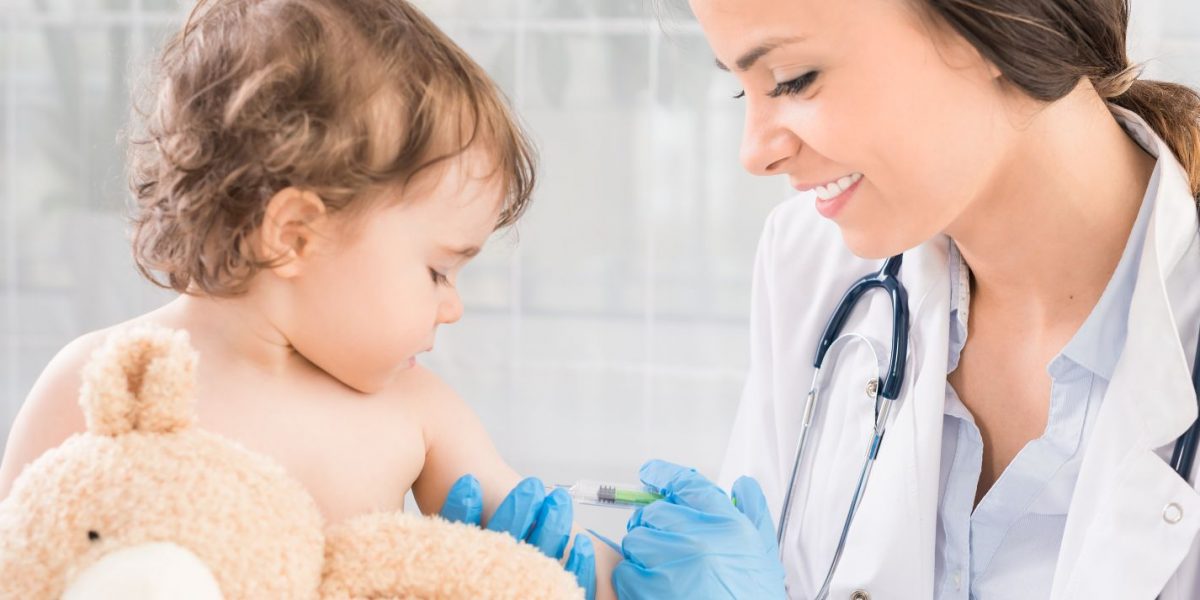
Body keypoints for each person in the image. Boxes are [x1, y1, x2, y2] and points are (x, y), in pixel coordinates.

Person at [0, 1, 617, 597]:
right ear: (294, 235)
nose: (452, 307)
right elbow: (23, 566)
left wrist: (644, 570)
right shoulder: (104, 387)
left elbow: (564, 568)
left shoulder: (420, 415)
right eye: (438, 271)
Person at [606, 0, 1200, 597]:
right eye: (744, 93)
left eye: (793, 80)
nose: (755, 153)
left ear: (990, 28)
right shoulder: (810, 264)